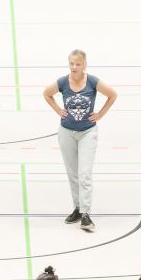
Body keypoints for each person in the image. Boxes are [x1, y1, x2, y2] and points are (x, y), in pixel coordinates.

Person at [42, 48, 115, 233]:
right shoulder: (62, 82)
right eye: (71, 64)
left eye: (78, 64)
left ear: (84, 65)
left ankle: (86, 214)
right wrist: (58, 110)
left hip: (87, 133)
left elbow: (112, 95)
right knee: (73, 173)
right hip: (66, 132)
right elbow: (46, 94)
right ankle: (77, 208)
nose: (74, 67)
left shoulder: (92, 82)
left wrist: (100, 114)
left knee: (84, 174)